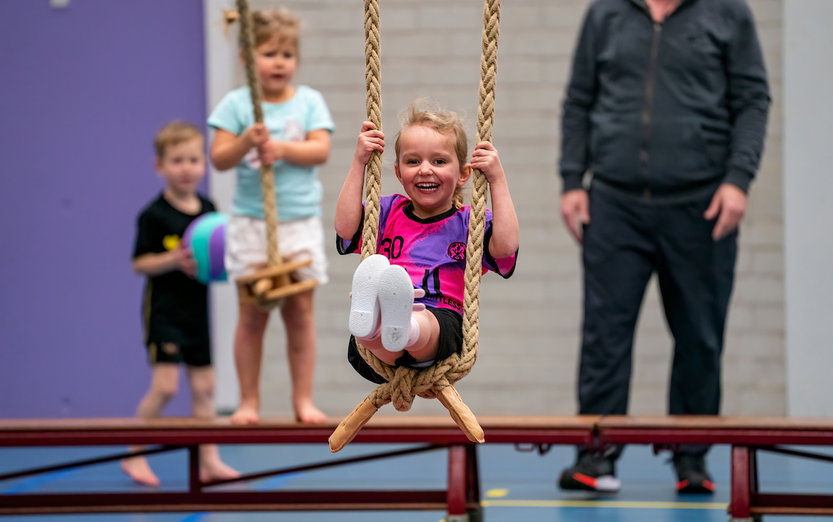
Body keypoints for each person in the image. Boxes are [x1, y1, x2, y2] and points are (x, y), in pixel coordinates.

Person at [557, 0, 770, 494]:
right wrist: (572, 180)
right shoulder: (605, 14)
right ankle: (596, 456)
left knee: (700, 337)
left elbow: (753, 101)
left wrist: (738, 180)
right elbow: (578, 100)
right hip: (613, 202)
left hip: (701, 206)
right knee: (604, 337)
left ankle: (691, 460)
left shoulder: (727, 13)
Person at [208, 7, 333, 425]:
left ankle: (303, 399)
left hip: (297, 223)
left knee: (300, 313)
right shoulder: (238, 105)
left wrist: (281, 149)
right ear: (247, 57)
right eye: (268, 53)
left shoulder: (309, 101)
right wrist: (247, 140)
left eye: (287, 54)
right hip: (252, 223)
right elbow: (220, 158)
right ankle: (248, 402)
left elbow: (320, 149)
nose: (279, 62)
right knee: (252, 315)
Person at [335, 101, 519, 381]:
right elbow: (346, 228)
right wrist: (359, 162)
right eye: (412, 161)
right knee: (373, 338)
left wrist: (497, 179)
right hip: (381, 346)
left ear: (463, 174)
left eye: (439, 161)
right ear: (398, 173)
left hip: (442, 323)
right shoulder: (386, 212)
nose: (424, 169)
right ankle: (375, 325)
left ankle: (403, 325)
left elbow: (505, 246)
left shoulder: (469, 222)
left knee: (425, 324)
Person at [123, 121, 239, 487]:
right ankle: (134, 454)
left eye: (193, 159)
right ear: (160, 166)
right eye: (176, 161)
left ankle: (209, 460)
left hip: (196, 313)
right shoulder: (153, 215)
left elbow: (217, 252)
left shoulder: (208, 207)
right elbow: (139, 263)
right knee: (166, 387)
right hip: (165, 314)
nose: (186, 168)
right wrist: (173, 260)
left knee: (205, 388)